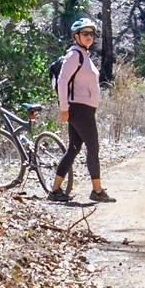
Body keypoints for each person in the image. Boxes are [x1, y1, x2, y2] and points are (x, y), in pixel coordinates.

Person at [47, 18, 112, 203]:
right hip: (78, 108)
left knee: (74, 149)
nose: (89, 37)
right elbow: (62, 81)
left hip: (84, 109)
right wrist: (64, 109)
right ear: (76, 36)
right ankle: (97, 191)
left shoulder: (84, 55)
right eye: (85, 33)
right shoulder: (74, 55)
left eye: (91, 34)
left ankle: (56, 190)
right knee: (93, 147)